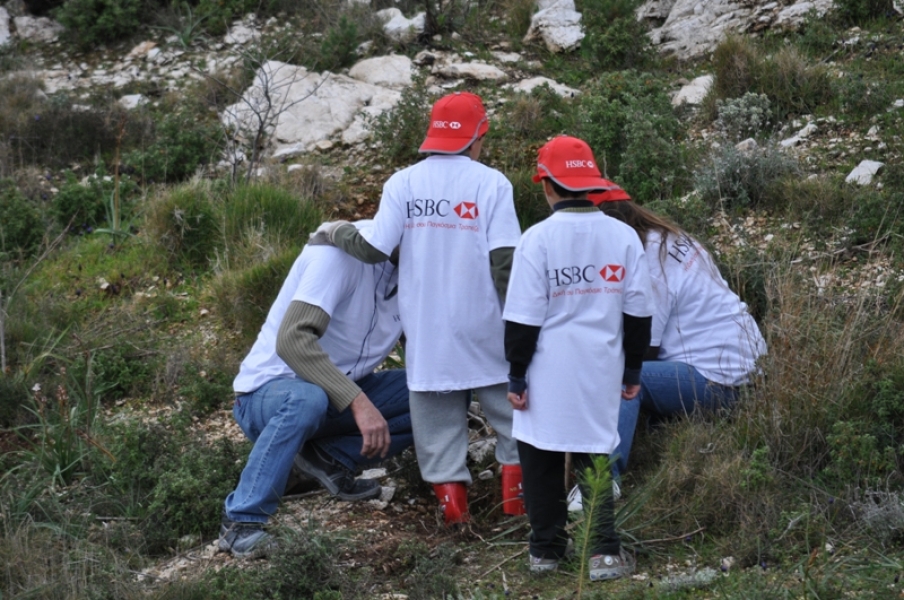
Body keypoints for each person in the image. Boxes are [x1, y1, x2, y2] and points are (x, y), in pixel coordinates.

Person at [312, 91, 525, 525]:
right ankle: (518, 513)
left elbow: (373, 248)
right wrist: (525, 329)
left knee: (437, 430)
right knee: (514, 422)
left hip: (429, 334)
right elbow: (505, 263)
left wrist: (335, 231)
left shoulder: (403, 182)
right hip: (487, 328)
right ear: (477, 136)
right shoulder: (492, 183)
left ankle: (455, 519)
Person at [503, 136, 654, 580]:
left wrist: (516, 375)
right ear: (592, 184)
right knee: (596, 451)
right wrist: (633, 369)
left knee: (539, 452)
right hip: (600, 364)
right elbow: (638, 312)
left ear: (547, 185)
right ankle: (603, 552)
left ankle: (545, 550)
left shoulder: (536, 239)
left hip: (545, 366)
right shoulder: (623, 236)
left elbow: (522, 318)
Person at [218, 221, 414, 558]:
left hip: (334, 399)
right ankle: (241, 521)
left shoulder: (417, 272)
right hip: (268, 395)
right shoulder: (337, 258)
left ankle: (328, 458)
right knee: (307, 399)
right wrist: (358, 402)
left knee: (437, 393)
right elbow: (292, 341)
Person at [593, 191, 767, 481]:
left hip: (719, 380)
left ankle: (602, 483)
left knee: (622, 378)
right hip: (746, 368)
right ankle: (660, 425)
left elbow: (644, 349)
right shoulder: (667, 237)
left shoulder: (649, 265)